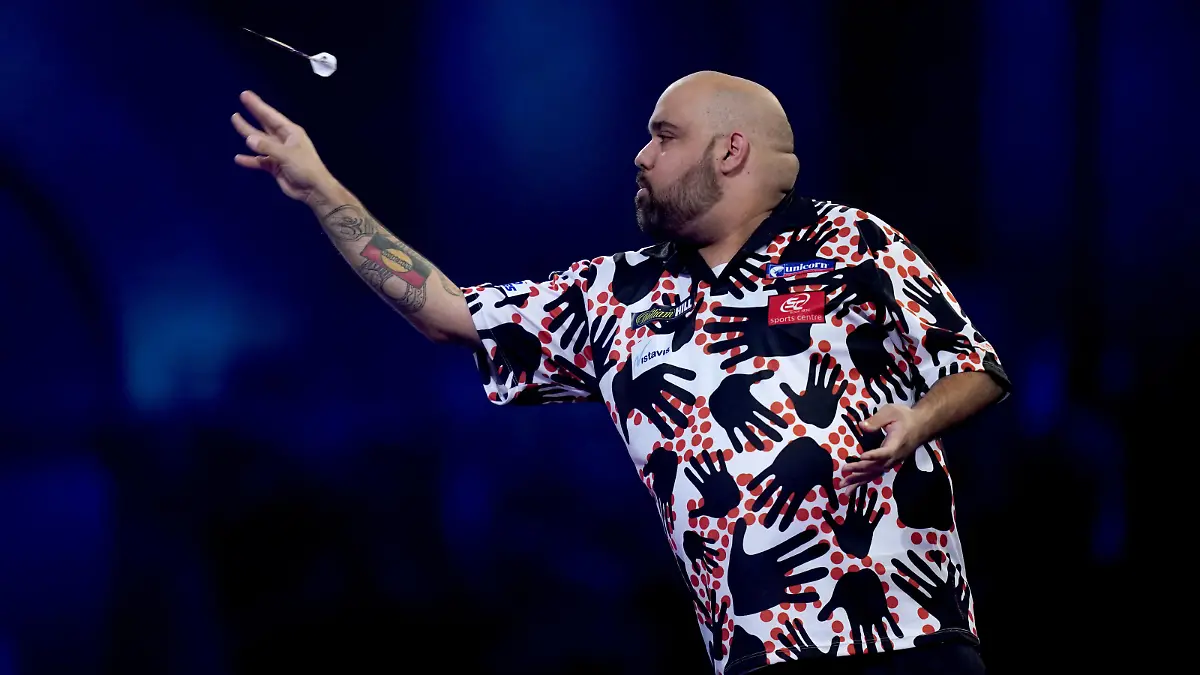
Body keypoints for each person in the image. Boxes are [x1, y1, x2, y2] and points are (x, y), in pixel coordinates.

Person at [231, 71, 1009, 675]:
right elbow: (446, 311)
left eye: (663, 136)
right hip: (756, 657)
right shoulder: (615, 293)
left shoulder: (852, 241)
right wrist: (320, 189)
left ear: (729, 150)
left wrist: (919, 418)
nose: (639, 155)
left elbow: (977, 367)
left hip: (910, 637)